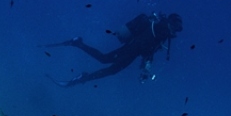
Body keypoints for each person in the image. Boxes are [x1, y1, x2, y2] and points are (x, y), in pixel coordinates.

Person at [48, 12, 183, 86]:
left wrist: (146, 65)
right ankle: (81, 75)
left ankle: (78, 47)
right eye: (176, 26)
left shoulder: (162, 34)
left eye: (178, 29)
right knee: (106, 63)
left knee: (105, 62)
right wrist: (146, 62)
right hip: (131, 50)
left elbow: (149, 50)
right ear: (170, 22)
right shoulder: (159, 28)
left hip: (132, 51)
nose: (176, 31)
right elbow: (146, 46)